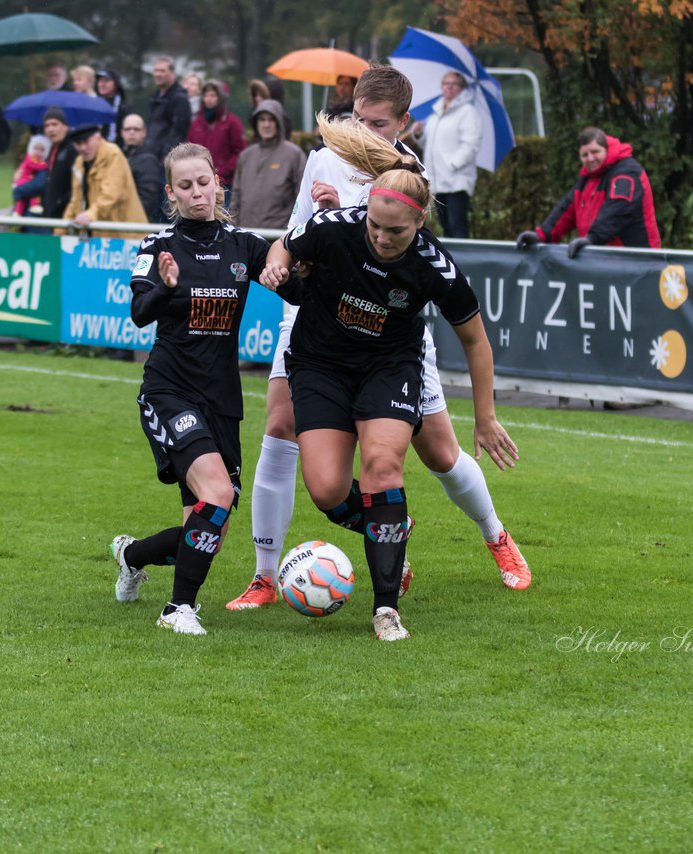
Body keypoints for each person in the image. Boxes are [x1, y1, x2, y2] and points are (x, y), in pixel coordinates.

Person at [227, 64, 531, 612]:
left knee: (438, 449)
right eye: (357, 119)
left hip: (390, 324)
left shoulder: (408, 172)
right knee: (279, 421)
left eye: (378, 123)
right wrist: (304, 240)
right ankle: (265, 575)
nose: (364, 132)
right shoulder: (323, 157)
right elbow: (295, 238)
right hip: (318, 310)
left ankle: (495, 535)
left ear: (404, 124)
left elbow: (407, 252)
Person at [109, 142, 271, 636]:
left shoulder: (243, 244)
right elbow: (139, 314)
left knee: (205, 531)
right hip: (169, 389)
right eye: (185, 186)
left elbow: (296, 287)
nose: (197, 192)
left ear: (216, 182)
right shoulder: (157, 245)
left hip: (221, 397)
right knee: (218, 496)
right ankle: (177, 610)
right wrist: (167, 289)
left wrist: (292, 265)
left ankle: (132, 555)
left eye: (203, 182)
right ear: (170, 193)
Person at [516, 126, 661, 257]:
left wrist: (592, 238)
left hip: (637, 264)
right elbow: (566, 210)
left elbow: (617, 210)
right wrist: (542, 235)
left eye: (595, 152)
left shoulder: (627, 172)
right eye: (585, 155)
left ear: (606, 149)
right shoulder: (587, 178)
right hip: (603, 263)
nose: (590, 158)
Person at [409, 71, 481, 238]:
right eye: (446, 83)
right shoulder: (435, 114)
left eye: (454, 83)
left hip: (457, 181)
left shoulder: (468, 112)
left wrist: (452, 165)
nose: (449, 86)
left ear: (462, 89)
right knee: (446, 227)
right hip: (437, 180)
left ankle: (461, 262)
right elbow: (429, 145)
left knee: (457, 226)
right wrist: (419, 134)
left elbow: (471, 145)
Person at [228, 99, 304, 229]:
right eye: (262, 119)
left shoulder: (294, 155)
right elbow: (236, 197)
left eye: (271, 120)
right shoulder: (246, 156)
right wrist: (232, 229)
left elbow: (302, 199)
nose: (266, 124)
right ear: (256, 123)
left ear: (279, 122)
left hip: (278, 237)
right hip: (247, 235)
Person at [60, 124, 147, 238]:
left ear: (99, 137)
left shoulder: (113, 154)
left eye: (86, 141)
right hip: (96, 238)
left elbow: (111, 193)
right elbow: (75, 201)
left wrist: (90, 215)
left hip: (124, 237)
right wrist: (60, 231)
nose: (82, 148)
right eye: (78, 144)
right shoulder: (78, 162)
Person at [186, 80, 244, 207]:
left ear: (220, 98)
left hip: (224, 184)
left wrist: (222, 171)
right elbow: (189, 150)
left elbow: (239, 152)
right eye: (206, 95)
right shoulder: (197, 123)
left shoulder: (232, 122)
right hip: (199, 182)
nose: (209, 99)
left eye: (213, 95)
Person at [120, 114, 165, 223]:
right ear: (122, 132)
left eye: (136, 129)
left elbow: (148, 200)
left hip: (138, 222)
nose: (131, 132)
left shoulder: (149, 159)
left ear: (144, 132)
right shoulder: (119, 156)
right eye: (127, 129)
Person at [147, 55, 191, 159]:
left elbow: (179, 132)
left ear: (172, 73)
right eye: (156, 70)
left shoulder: (180, 99)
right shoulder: (155, 97)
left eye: (162, 71)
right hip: (152, 155)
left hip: (166, 158)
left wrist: (166, 154)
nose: (158, 74)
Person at [12, 135, 50, 216]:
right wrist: (46, 165)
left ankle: (18, 212)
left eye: (42, 150)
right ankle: (33, 205)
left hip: (25, 180)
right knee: (32, 192)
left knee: (23, 199)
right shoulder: (30, 158)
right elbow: (36, 166)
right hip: (24, 179)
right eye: (35, 148)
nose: (38, 152)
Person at [95, 69, 131, 143]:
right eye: (100, 81)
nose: (102, 84)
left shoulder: (122, 106)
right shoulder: (93, 104)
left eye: (106, 81)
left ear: (116, 84)